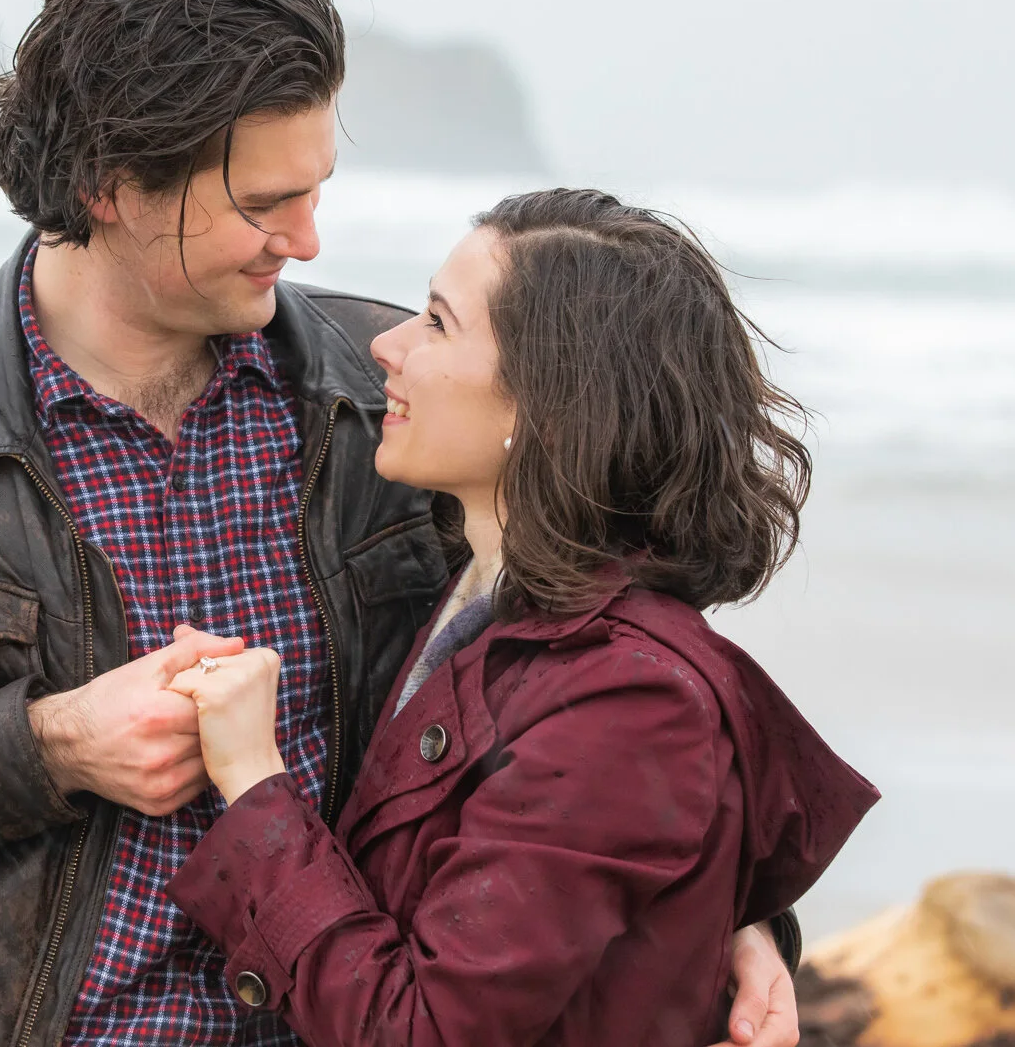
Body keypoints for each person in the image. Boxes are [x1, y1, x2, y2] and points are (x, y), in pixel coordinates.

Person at [0, 0, 804, 1047]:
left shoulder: (402, 399)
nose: (304, 240)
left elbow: (609, 694)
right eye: (260, 204)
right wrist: (47, 746)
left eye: (314, 189)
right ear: (110, 185)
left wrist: (725, 908)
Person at [166, 189, 879, 1045]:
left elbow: (424, 1032)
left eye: (437, 323)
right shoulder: (482, 591)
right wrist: (740, 919)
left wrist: (252, 778)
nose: (387, 345)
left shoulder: (629, 700)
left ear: (545, 402)